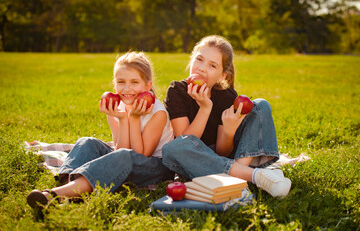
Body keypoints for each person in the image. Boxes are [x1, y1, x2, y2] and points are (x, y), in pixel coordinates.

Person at [27, 52, 174, 211]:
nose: (127, 88)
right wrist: (122, 119)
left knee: (124, 156)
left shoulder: (157, 113)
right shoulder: (116, 106)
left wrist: (134, 118)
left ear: (147, 85)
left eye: (134, 82)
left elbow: (140, 154)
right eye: (121, 82)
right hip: (127, 157)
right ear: (114, 83)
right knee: (87, 142)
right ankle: (69, 188)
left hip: (156, 167)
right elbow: (119, 148)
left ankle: (53, 196)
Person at [162, 35, 291, 198]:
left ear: (222, 75)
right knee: (173, 148)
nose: (201, 68)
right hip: (194, 158)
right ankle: (254, 176)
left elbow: (223, 152)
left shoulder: (226, 96)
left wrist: (229, 131)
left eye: (212, 65)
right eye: (199, 59)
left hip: (220, 159)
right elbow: (185, 139)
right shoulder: (177, 90)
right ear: (191, 59)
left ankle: (238, 175)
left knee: (260, 105)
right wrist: (205, 108)